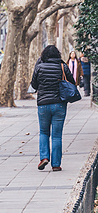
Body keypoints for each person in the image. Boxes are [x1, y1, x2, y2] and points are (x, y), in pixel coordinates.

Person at [31, 44, 76, 172]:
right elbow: (72, 82)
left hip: (43, 104)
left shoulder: (39, 67)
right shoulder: (62, 66)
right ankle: (56, 164)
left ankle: (44, 157)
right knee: (57, 136)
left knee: (44, 132)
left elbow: (34, 84)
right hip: (59, 104)